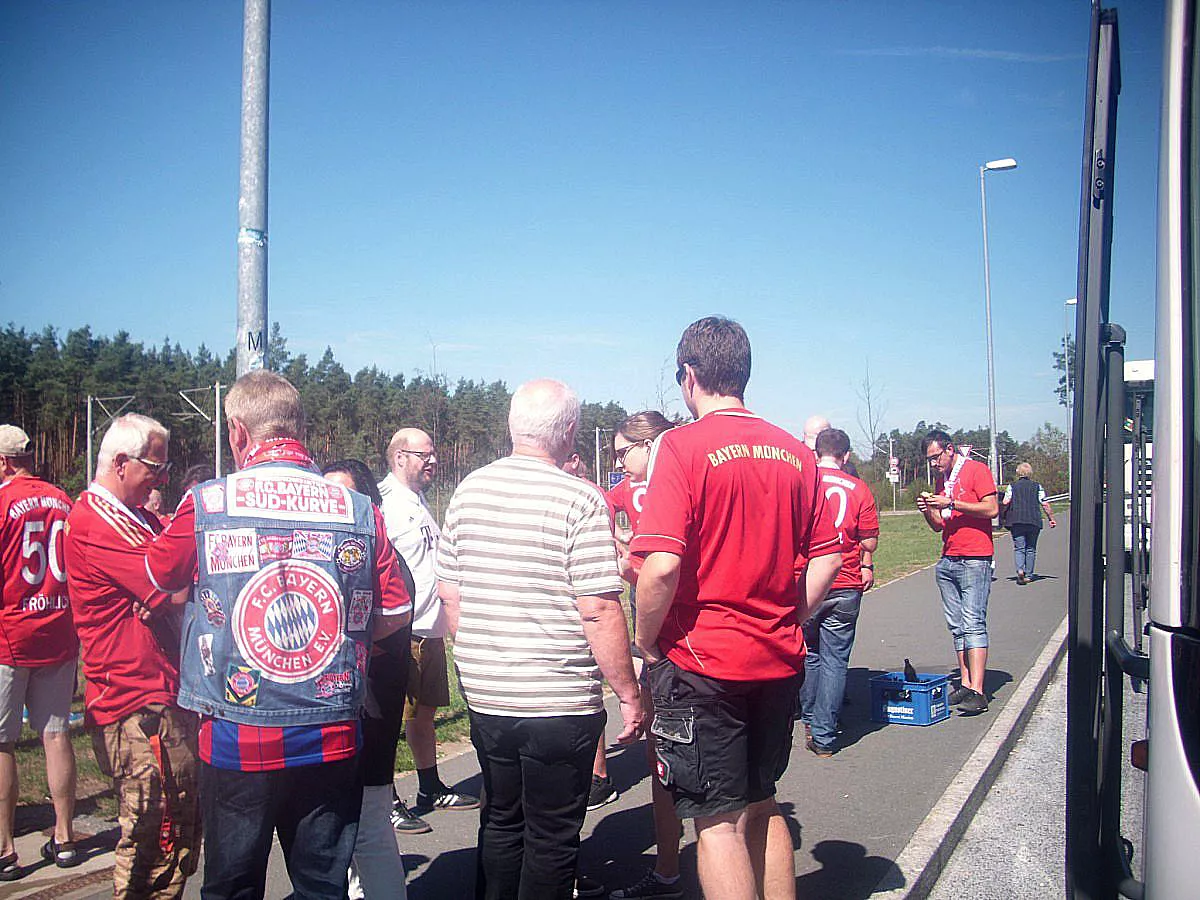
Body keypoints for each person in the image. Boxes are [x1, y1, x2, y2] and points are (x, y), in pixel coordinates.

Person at [145, 370, 413, 900]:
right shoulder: (360, 509)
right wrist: (348, 641)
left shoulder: (205, 503)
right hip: (331, 731)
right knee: (321, 885)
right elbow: (399, 608)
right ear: (301, 429)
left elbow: (157, 581)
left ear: (239, 433)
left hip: (234, 735)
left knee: (231, 885)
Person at [632, 317, 842, 900]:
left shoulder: (681, 445)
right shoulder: (797, 453)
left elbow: (662, 565)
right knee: (763, 801)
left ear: (690, 377)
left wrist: (645, 639)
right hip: (777, 656)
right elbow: (830, 554)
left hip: (705, 662)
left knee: (717, 823)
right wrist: (791, 614)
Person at [436, 379, 644, 900]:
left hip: (488, 693)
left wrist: (483, 656)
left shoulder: (468, 492)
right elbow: (597, 609)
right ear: (571, 432)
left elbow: (450, 595)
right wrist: (628, 692)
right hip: (556, 700)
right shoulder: (578, 498)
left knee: (502, 820)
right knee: (552, 836)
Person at [63, 413, 200, 898]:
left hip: (162, 694)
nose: (161, 480)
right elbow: (165, 575)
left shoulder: (136, 516)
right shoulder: (92, 519)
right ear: (120, 463)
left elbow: (180, 576)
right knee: (153, 838)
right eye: (155, 470)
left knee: (180, 835)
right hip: (134, 703)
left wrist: (170, 584)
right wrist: (197, 509)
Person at [377, 428, 477, 835]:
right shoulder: (385, 501)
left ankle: (429, 786)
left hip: (431, 628)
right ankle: (385, 800)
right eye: (425, 454)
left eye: (434, 453)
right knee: (390, 722)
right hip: (405, 630)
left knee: (424, 713)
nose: (433, 461)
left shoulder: (416, 501)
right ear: (401, 456)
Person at [323, 459, 412, 900]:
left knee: (369, 823)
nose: (333, 507)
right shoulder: (342, 557)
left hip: (371, 712)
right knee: (350, 829)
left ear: (370, 505)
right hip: (351, 709)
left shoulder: (386, 562)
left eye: (344, 497)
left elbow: (389, 624)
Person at [606, 411, 686, 900]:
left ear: (650, 443)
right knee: (751, 794)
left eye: (623, 452)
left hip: (674, 645)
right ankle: (670, 869)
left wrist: (646, 643)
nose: (618, 463)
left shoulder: (668, 488)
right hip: (726, 645)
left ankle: (669, 873)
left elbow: (663, 571)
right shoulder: (671, 482)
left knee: (668, 764)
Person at [0, 426, 79, 881]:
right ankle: (65, 837)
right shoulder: (64, 501)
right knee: (55, 734)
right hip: (59, 629)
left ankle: (6, 848)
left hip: (11, 633)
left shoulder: (3, 501)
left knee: (3, 741)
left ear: (6, 463)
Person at [798, 428, 880, 758]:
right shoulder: (859, 488)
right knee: (835, 660)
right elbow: (869, 541)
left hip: (808, 581)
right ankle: (824, 735)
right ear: (845, 456)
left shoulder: (803, 481)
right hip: (845, 582)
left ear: (817, 453)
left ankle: (807, 716)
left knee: (808, 652)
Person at [916, 429, 999, 715]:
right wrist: (928, 509)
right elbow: (940, 524)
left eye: (936, 457)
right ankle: (965, 683)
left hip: (975, 558)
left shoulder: (977, 470)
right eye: (929, 460)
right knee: (957, 626)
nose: (934, 464)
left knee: (973, 622)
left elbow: (991, 509)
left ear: (950, 449)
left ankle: (978, 689)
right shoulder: (943, 480)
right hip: (949, 558)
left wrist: (951, 502)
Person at [1001, 462, 1057, 584]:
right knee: (1031, 548)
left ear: (1018, 472)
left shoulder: (1012, 486)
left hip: (1016, 520)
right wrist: (1051, 519)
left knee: (1019, 548)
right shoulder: (1037, 486)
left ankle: (1020, 570)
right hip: (1033, 520)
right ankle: (1029, 574)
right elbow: (1045, 504)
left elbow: (1005, 501)